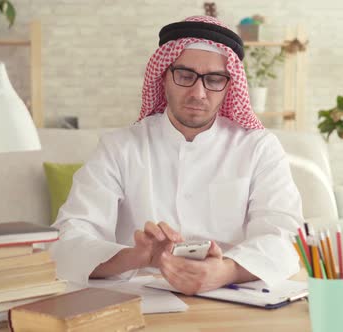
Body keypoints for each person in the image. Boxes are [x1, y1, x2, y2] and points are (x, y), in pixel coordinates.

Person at [49, 15, 303, 295]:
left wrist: (225, 271)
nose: (198, 92)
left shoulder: (259, 148)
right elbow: (68, 241)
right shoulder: (119, 147)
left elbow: (285, 237)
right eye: (185, 75)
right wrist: (138, 256)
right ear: (164, 76)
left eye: (214, 79)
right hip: (141, 301)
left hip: (233, 298)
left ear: (229, 85)